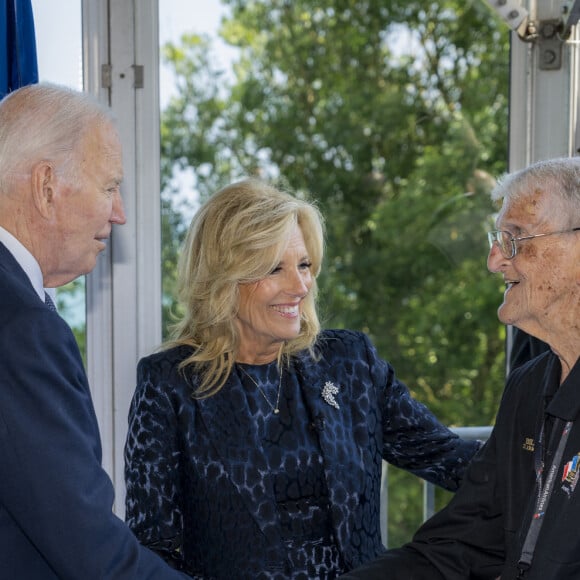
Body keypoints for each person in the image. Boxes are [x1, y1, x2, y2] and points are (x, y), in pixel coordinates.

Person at [124, 177, 480, 579]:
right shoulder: (170, 385)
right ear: (223, 279)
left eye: (305, 265)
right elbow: (153, 547)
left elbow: (449, 458)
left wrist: (548, 469)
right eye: (275, 268)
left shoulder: (350, 364)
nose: (300, 286)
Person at [341, 156, 580, 580]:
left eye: (515, 237)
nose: (494, 261)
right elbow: (461, 544)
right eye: (498, 237)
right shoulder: (527, 388)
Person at [0, 83, 191, 579]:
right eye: (109, 186)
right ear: (46, 188)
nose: (120, 212)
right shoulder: (20, 324)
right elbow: (90, 553)